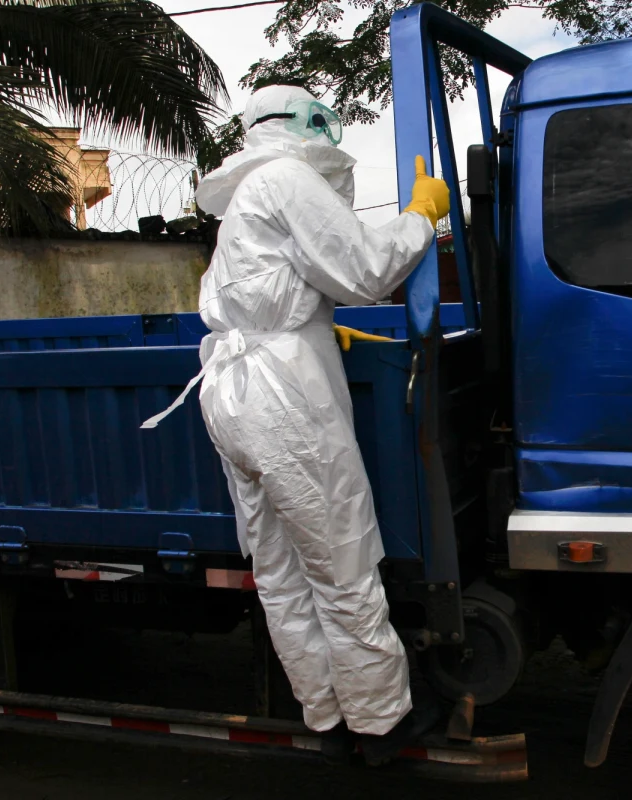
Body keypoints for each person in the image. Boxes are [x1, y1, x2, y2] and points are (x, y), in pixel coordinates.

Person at [141, 85, 450, 764]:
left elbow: (280, 287)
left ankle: (329, 716)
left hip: (235, 387)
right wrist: (422, 217)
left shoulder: (250, 198)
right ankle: (382, 725)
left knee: (282, 571)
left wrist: (311, 328)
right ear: (306, 126)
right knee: (341, 561)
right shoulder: (285, 180)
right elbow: (367, 270)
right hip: (280, 393)